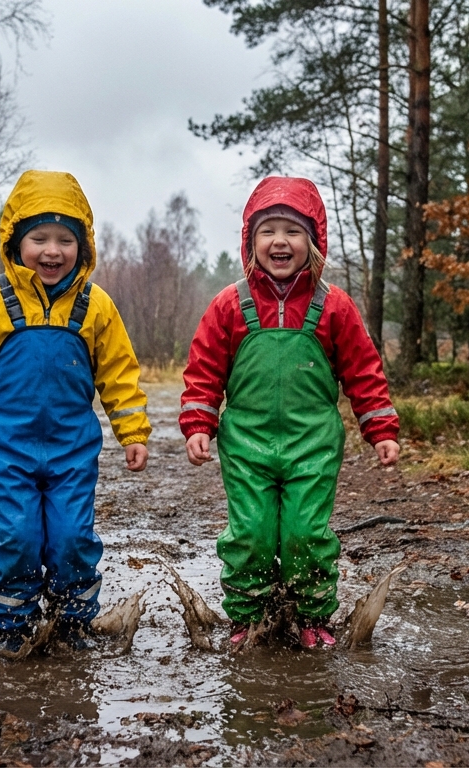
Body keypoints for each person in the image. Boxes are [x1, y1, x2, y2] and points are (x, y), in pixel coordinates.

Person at [0, 170, 151, 652]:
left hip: (71, 449)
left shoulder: (95, 305)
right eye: (38, 238)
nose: (52, 251)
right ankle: (12, 626)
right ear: (15, 241)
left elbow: (119, 373)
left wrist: (133, 431)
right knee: (17, 536)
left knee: (71, 536)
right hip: (5, 449)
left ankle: (72, 621)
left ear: (83, 247)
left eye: (66, 239)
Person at [180, 176, 400, 650]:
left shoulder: (333, 306)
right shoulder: (230, 304)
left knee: (304, 534)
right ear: (250, 241)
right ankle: (248, 615)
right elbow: (203, 369)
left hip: (312, 446)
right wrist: (198, 422)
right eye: (268, 230)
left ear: (313, 242)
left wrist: (380, 427)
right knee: (253, 534)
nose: (280, 241)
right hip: (246, 446)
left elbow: (363, 370)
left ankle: (312, 614)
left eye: (293, 231)